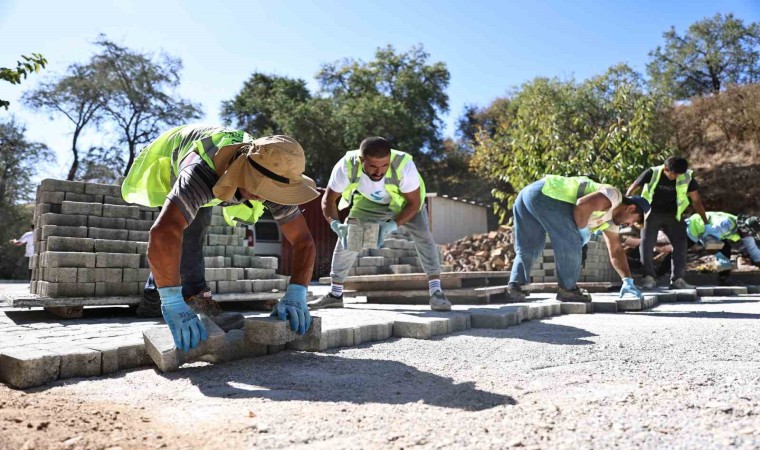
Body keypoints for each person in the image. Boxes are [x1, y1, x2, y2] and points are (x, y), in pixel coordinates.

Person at [122, 124, 319, 352]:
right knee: (191, 227)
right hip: (174, 154)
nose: (265, 197)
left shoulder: (276, 170)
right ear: (245, 172)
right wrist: (172, 301)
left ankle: (153, 294)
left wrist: (297, 292)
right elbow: (164, 232)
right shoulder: (199, 174)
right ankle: (188, 296)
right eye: (260, 189)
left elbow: (303, 241)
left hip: (223, 162)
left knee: (193, 226)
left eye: (271, 192)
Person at [309, 136, 452, 311]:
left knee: (424, 238)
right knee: (349, 238)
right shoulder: (346, 166)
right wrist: (335, 225)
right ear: (362, 160)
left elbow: (414, 203)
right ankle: (335, 294)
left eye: (384, 165)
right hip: (369, 203)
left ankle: (436, 293)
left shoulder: (404, 165)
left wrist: (392, 224)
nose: (379, 172)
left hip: (404, 203)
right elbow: (328, 200)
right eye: (373, 166)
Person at [505, 175, 650, 303]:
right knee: (571, 241)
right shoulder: (613, 196)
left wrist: (627, 280)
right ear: (630, 208)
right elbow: (582, 205)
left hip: (527, 195)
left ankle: (515, 286)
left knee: (529, 246)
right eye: (634, 221)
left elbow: (616, 250)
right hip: (547, 195)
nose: (629, 225)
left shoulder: (610, 222)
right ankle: (568, 289)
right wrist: (581, 232)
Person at [627, 156, 709, 290]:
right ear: (666, 169)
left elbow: (696, 199)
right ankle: (649, 278)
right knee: (646, 245)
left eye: (679, 175)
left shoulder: (687, 176)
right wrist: (627, 205)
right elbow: (633, 188)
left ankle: (678, 280)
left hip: (673, 215)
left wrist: (705, 221)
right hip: (650, 214)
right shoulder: (652, 172)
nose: (676, 177)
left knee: (681, 245)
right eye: (674, 174)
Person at [685, 212, 760, 285]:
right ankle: (675, 279)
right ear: (743, 229)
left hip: (712, 233)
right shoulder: (725, 224)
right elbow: (710, 243)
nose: (749, 236)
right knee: (679, 251)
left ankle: (724, 278)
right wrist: (725, 262)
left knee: (725, 249)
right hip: (695, 226)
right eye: (748, 234)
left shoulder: (746, 232)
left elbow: (754, 252)